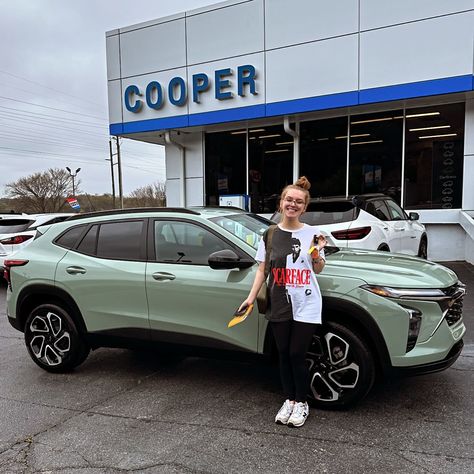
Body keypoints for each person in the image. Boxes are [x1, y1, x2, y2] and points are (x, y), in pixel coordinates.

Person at [239, 176, 327, 428]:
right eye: (289, 199)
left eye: (299, 202)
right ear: (281, 203)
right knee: (284, 353)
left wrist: (317, 254)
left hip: (306, 302)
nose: (293, 204)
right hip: (279, 300)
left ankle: (302, 402)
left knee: (297, 353)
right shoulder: (269, 233)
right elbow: (261, 271)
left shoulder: (313, 233)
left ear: (304, 207)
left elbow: (318, 269)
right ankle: (289, 399)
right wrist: (250, 297)